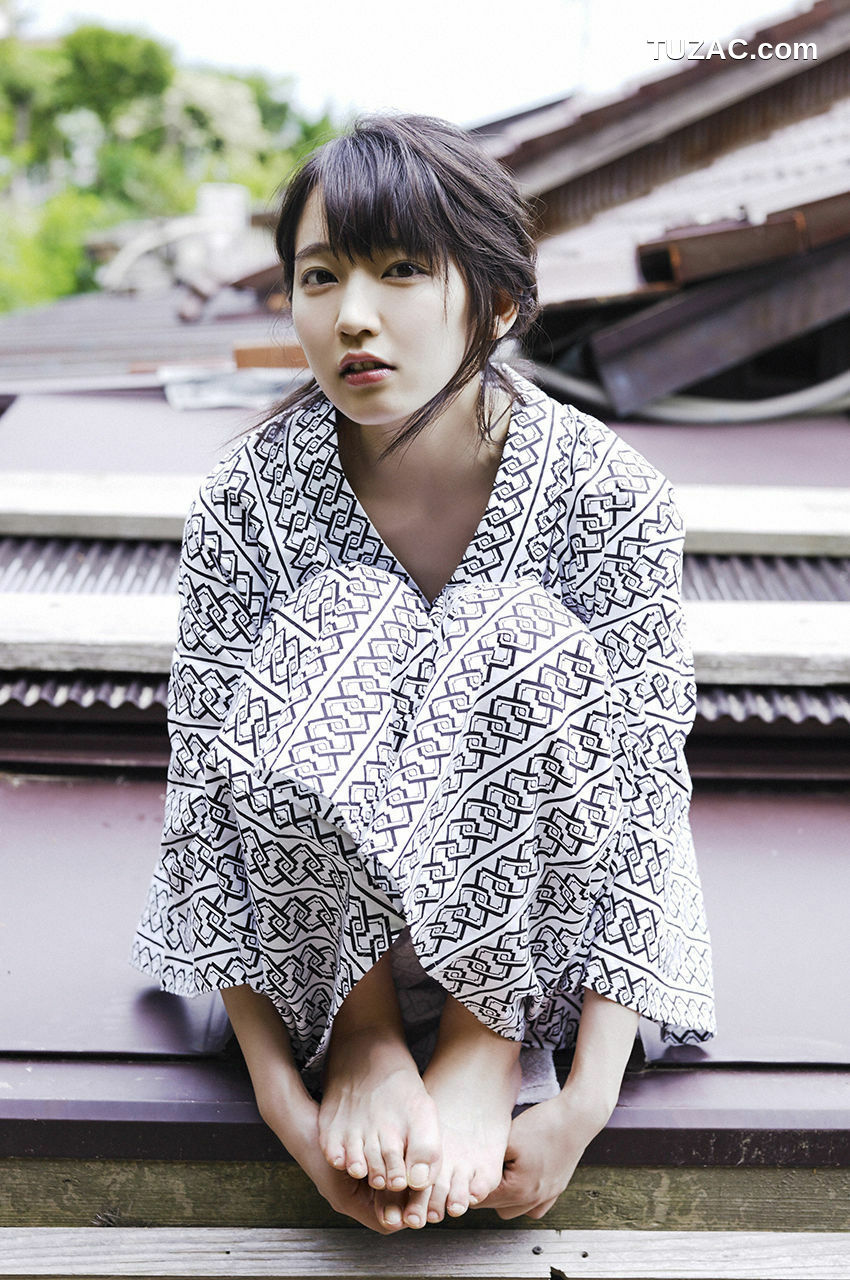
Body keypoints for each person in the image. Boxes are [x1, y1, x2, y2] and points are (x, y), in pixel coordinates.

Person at [132, 113, 715, 1233]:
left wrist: (582, 1103)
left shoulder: (609, 493)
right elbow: (205, 803)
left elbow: (645, 800)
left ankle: (481, 1042)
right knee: (338, 611)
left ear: (495, 303)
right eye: (319, 276)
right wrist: (289, 1104)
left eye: (401, 269)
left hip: (542, 954)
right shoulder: (246, 500)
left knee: (512, 625)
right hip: (312, 961)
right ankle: (367, 1035)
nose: (351, 314)